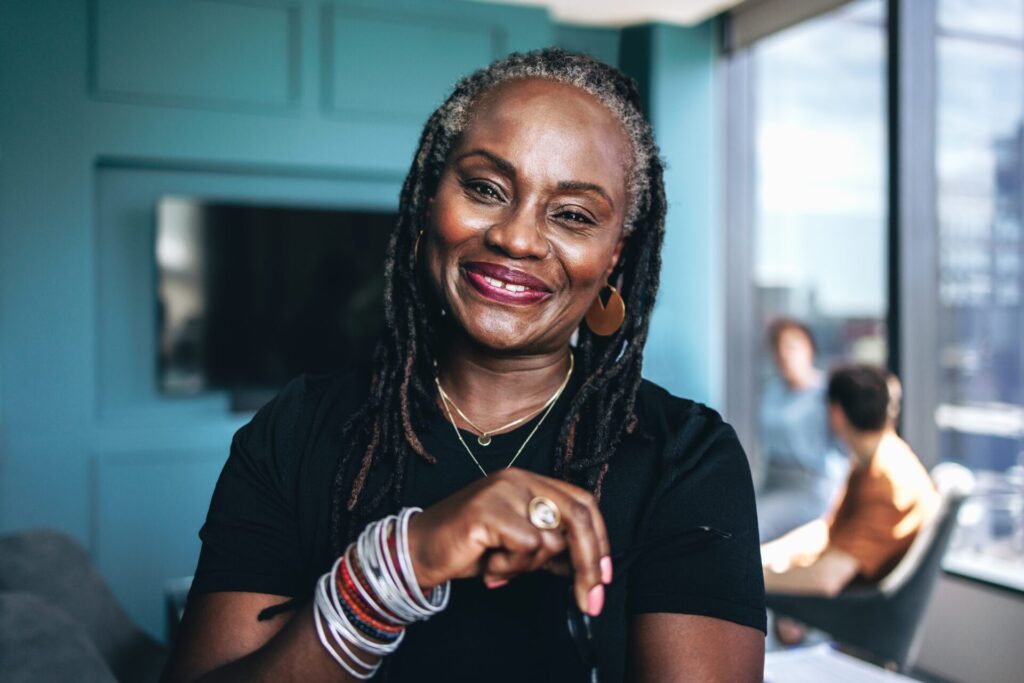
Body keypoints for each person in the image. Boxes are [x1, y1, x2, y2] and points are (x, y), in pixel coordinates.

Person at [162, 49, 766, 683]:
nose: (517, 237)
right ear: (429, 202)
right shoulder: (298, 431)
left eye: (573, 215)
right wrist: (396, 569)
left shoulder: (687, 459)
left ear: (613, 258)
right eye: (485, 188)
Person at [761, 364, 940, 599]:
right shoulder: (879, 459)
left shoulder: (887, 483)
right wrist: (762, 557)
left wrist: (749, 576)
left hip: (859, 604)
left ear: (836, 414)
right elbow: (828, 530)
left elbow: (827, 579)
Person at [756, 319, 847, 542]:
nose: (785, 355)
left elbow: (845, 448)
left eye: (792, 347)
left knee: (755, 525)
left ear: (809, 348)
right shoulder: (772, 392)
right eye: (778, 349)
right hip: (772, 481)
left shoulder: (827, 394)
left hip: (812, 487)